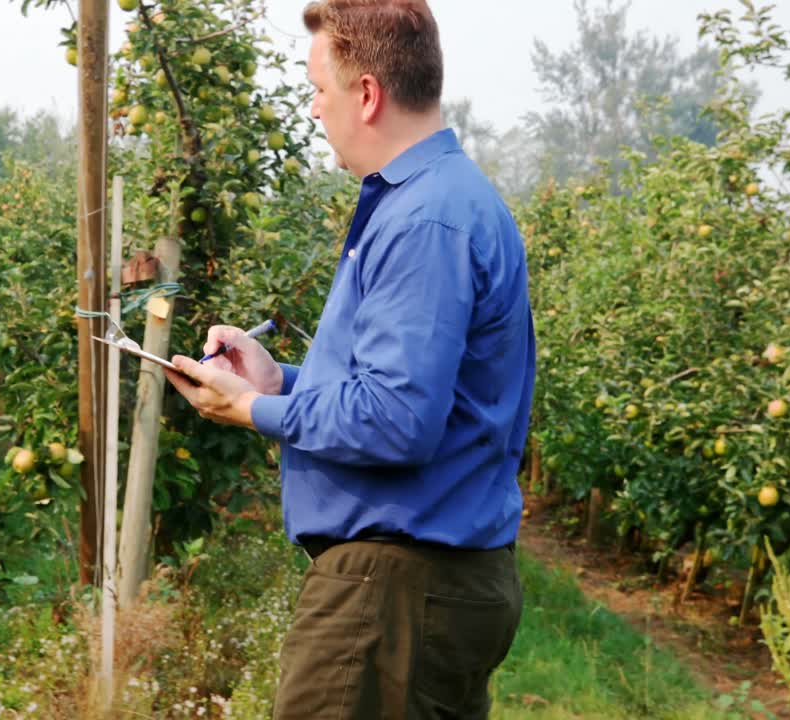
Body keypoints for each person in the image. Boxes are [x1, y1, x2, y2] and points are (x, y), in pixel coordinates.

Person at [163, 0, 534, 718]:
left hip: (392, 593)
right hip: (418, 588)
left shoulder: (425, 219)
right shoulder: (437, 202)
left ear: (366, 95)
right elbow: (417, 397)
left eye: (318, 89)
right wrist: (277, 380)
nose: (311, 109)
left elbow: (395, 421)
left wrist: (251, 408)